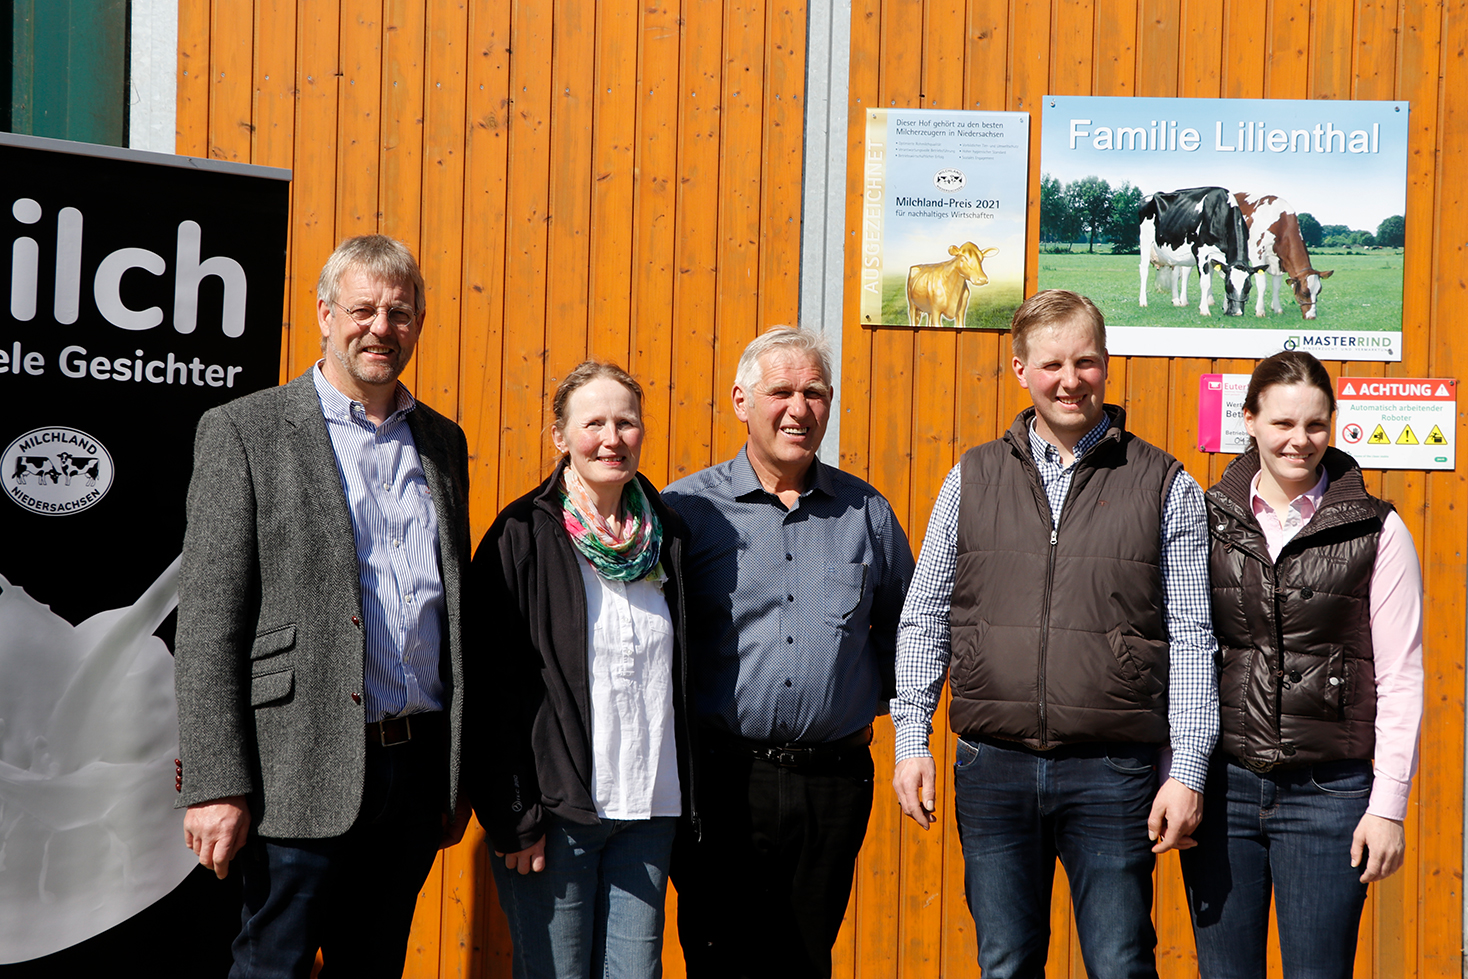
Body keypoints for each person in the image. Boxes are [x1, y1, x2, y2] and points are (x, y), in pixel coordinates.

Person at [891, 289, 1219, 978]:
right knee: (1006, 962)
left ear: (1107, 363)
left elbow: (1193, 637)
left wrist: (1186, 769)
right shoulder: (970, 479)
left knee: (1121, 961)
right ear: (1019, 369)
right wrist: (909, 736)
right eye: (1052, 364)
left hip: (1112, 771)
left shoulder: (1165, 485)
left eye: (1087, 361)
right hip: (993, 765)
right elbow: (925, 613)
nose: (1070, 380)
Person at [174, 234, 472, 978]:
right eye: (363, 309)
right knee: (270, 966)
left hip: (412, 767)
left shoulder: (442, 442)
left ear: (420, 323)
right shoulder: (243, 431)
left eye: (399, 313)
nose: (381, 328)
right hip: (294, 763)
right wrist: (217, 783)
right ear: (324, 314)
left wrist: (456, 768)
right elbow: (209, 622)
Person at [661, 327, 915, 979]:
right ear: (741, 400)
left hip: (832, 782)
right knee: (718, 956)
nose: (798, 409)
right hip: (720, 781)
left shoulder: (868, 514)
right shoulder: (685, 511)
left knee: (805, 959)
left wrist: (856, 705)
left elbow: (903, 631)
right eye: (781, 391)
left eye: (814, 392)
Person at [1180, 350, 1423, 978]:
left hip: (1330, 794)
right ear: (1250, 420)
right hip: (1224, 787)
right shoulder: (1204, 520)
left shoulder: (1377, 529)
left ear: (1333, 424)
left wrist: (1389, 804)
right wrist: (1174, 775)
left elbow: (1401, 675)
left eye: (1315, 425)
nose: (1300, 441)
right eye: (1283, 423)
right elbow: (1182, 651)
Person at [468, 362, 696, 979]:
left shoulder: (668, 535)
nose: (612, 437)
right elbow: (491, 691)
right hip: (555, 819)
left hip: (649, 812)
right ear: (560, 437)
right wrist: (515, 818)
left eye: (626, 422)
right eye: (593, 422)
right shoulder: (520, 536)